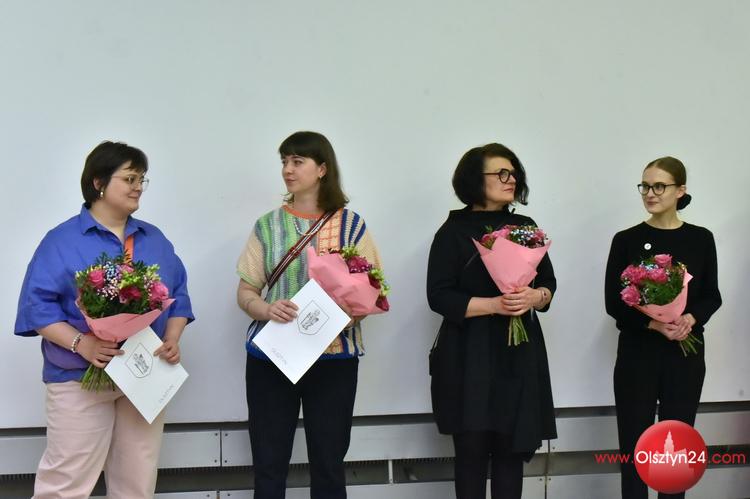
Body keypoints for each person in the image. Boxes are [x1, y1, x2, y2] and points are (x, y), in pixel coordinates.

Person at [14, 141, 194, 498]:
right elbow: (38, 308)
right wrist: (82, 343)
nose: (138, 187)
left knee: (136, 482)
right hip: (78, 377)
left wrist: (172, 339)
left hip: (143, 376)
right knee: (66, 482)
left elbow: (179, 297)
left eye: (141, 179)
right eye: (129, 178)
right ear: (98, 182)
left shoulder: (154, 239)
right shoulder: (62, 241)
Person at [236, 131, 384, 499]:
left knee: (329, 464)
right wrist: (267, 309)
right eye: (284, 161)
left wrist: (348, 314)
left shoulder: (352, 226)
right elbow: (245, 292)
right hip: (273, 357)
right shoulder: (267, 225)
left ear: (322, 169)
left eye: (297, 161)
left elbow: (372, 290)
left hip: (334, 359)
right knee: (268, 464)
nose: (287, 169)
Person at [426, 142, 556, 499]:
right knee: (470, 455)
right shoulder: (452, 231)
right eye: (501, 173)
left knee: (512, 453)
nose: (510, 179)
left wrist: (535, 297)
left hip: (518, 354)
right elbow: (439, 296)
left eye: (513, 173)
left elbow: (548, 283)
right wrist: (495, 305)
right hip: (469, 355)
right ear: (474, 179)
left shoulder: (525, 226)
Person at [605, 156, 722, 499]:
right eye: (645, 186)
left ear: (680, 190)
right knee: (634, 445)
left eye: (659, 186)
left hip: (684, 355)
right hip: (637, 354)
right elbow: (614, 303)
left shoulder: (701, 238)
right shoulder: (626, 239)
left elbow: (711, 295)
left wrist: (691, 318)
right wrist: (654, 324)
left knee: (676, 450)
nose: (650, 193)